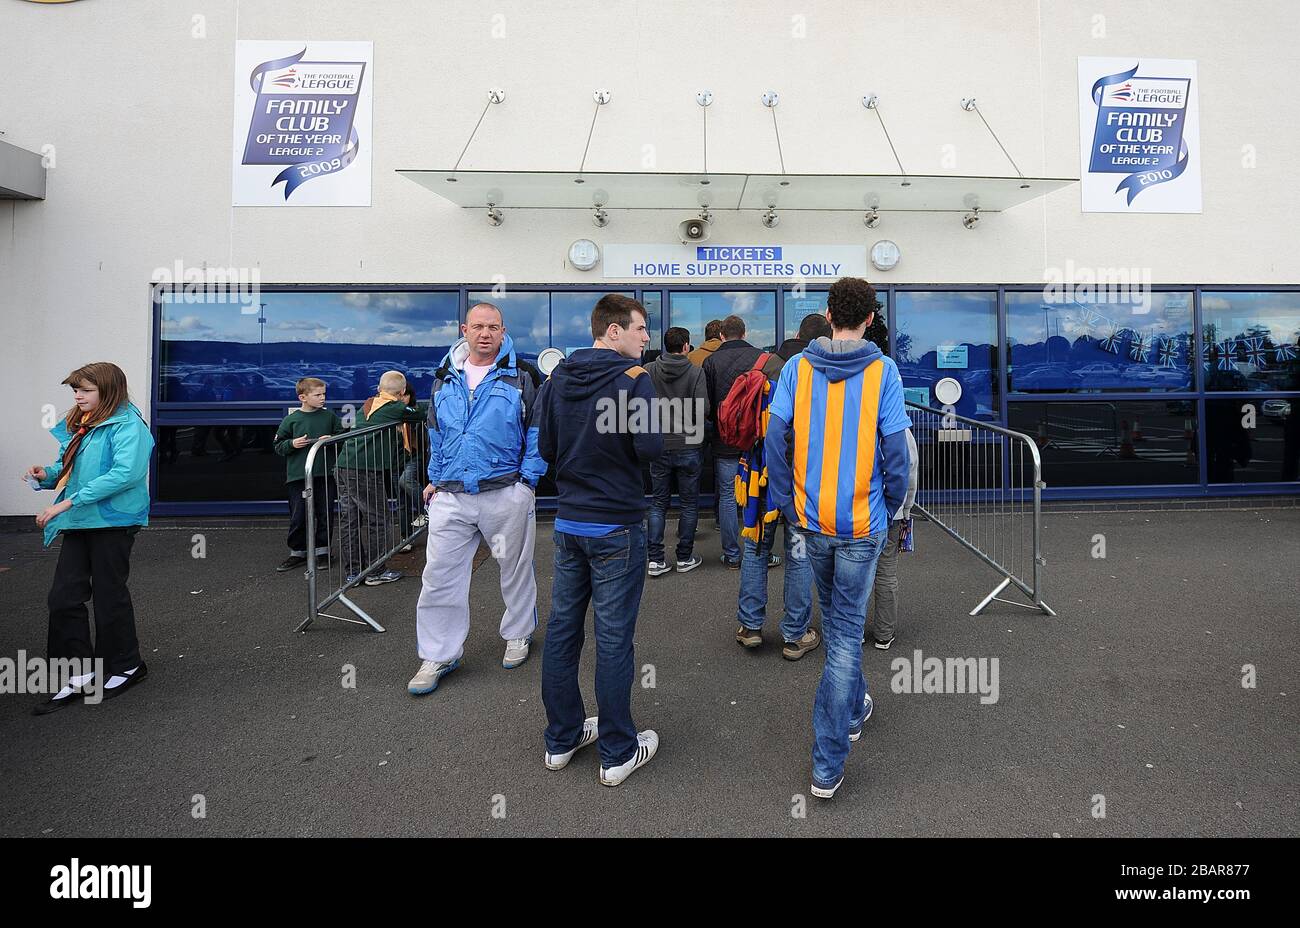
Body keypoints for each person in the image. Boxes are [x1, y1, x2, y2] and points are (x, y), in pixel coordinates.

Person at [765, 277, 911, 799]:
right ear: (870, 317)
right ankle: (827, 763)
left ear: (828, 314)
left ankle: (852, 707)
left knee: (837, 623)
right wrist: (892, 507)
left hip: (809, 524)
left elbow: (773, 437)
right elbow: (896, 452)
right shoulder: (884, 371)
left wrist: (785, 501)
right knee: (846, 635)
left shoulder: (796, 369)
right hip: (860, 526)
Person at [537, 294, 663, 787]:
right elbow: (651, 447)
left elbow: (545, 446)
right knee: (613, 639)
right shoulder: (635, 381)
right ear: (613, 332)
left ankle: (562, 738)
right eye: (640, 329)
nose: (646, 337)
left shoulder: (557, 379)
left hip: (569, 525)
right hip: (617, 526)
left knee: (563, 630)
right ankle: (616, 752)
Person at [407, 303, 546, 695]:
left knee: (515, 568)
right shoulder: (443, 378)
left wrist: (527, 482)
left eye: (494, 327)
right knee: (438, 576)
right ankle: (438, 653)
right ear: (464, 329)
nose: (485, 334)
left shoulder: (521, 376)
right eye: (479, 327)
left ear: (503, 332)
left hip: (504, 489)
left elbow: (537, 430)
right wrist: (434, 479)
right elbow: (435, 433)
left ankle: (519, 632)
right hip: (451, 494)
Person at [27, 362, 154, 714]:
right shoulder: (81, 422)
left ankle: (127, 666)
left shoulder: (129, 425)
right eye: (75, 390)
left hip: (113, 520)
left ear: (108, 391)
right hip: (81, 518)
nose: (78, 396)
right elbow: (69, 468)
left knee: (109, 596)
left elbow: (125, 474)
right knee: (64, 597)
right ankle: (80, 673)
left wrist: (66, 502)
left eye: (85, 390)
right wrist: (46, 475)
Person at [735, 315, 831, 660]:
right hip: (802, 478)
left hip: (759, 476)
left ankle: (750, 626)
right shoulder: (818, 372)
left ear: (794, 336)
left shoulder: (768, 364)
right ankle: (795, 634)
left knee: (756, 549)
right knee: (799, 555)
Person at [702, 314, 780, 569]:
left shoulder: (710, 361)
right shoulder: (764, 359)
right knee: (758, 491)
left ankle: (732, 555)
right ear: (745, 333)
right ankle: (761, 552)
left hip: (725, 440)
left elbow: (708, 406)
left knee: (727, 496)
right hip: (756, 438)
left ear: (721, 336)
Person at [333, 370, 423, 587]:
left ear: (379, 389)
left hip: (343, 465)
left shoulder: (368, 404)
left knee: (350, 520)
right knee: (378, 518)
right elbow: (420, 414)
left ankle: (354, 573)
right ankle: (376, 570)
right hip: (365, 470)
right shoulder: (395, 408)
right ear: (402, 392)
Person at [644, 326, 708, 576]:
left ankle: (656, 560)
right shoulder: (695, 372)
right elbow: (702, 411)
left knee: (658, 504)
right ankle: (684, 557)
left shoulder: (649, 371)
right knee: (689, 504)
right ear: (685, 347)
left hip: (659, 445)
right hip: (689, 445)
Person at [273, 377, 343, 572]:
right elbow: (278, 445)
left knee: (325, 513)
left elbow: (342, 438)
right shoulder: (291, 420)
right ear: (303, 397)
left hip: (324, 474)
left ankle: (323, 551)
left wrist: (332, 440)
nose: (323, 398)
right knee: (299, 514)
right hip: (298, 477)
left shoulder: (329, 417)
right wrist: (292, 444)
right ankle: (298, 552)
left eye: (324, 394)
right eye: (318, 395)